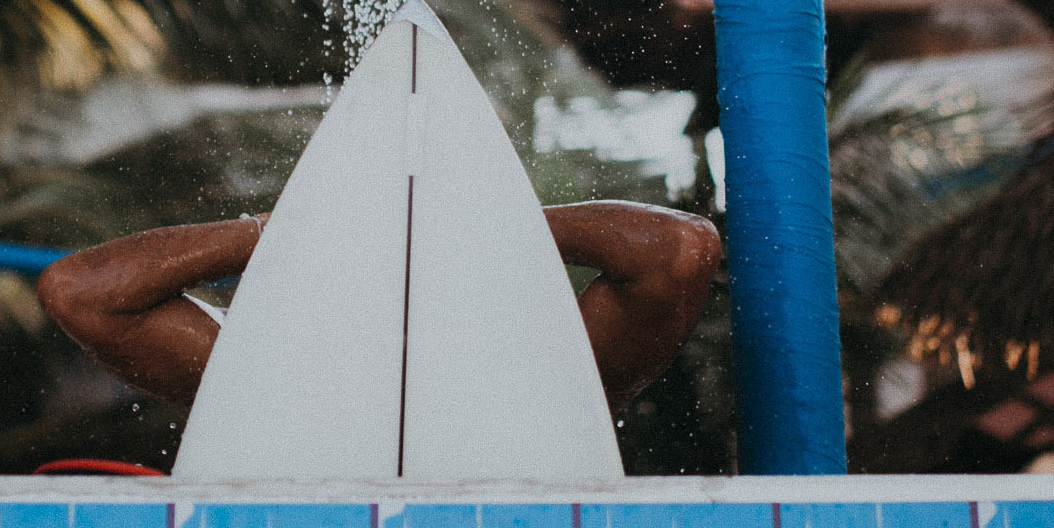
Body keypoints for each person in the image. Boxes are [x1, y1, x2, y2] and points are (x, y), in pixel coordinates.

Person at [36, 200, 721, 410]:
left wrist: (469, 216)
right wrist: (285, 230)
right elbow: (77, 292)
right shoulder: (284, 389)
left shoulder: (545, 386)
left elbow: (680, 250)